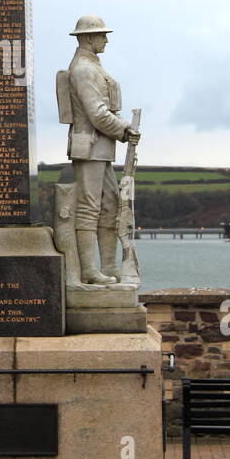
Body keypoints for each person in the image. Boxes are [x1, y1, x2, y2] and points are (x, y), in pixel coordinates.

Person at [59, 15, 140, 286]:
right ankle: (89, 271)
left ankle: (107, 267)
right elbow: (97, 114)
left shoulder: (94, 65)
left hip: (102, 148)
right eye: (101, 35)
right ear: (87, 38)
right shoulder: (83, 68)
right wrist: (124, 130)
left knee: (110, 206)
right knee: (89, 208)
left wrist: (122, 129)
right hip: (90, 146)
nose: (105, 40)